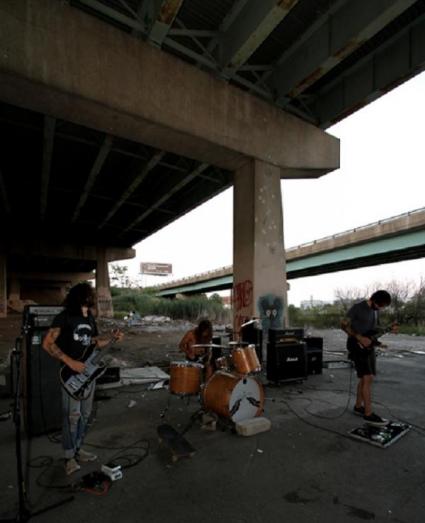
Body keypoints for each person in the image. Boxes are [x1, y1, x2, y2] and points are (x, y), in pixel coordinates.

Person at [42, 282, 124, 476]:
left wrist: (112, 338)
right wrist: (69, 362)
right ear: (81, 296)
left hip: (88, 374)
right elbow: (47, 343)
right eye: (90, 294)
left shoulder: (89, 318)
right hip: (71, 374)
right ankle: (68, 457)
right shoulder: (65, 317)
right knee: (72, 417)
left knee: (85, 415)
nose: (93, 297)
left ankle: (78, 450)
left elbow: (94, 342)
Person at [341, 289, 397, 427]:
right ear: (373, 300)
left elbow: (373, 329)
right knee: (367, 378)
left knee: (366, 378)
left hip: (368, 347)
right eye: (380, 305)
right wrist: (359, 337)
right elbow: (343, 324)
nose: (380, 308)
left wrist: (389, 329)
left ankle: (358, 406)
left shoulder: (375, 311)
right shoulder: (357, 308)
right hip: (355, 345)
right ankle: (368, 414)